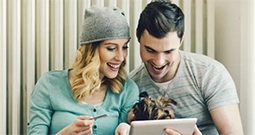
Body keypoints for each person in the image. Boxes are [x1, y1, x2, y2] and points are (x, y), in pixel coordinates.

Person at [128, 0, 244, 135]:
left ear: (181, 39)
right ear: (137, 36)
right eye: (150, 50)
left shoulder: (209, 74)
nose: (159, 62)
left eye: (168, 51)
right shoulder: (131, 87)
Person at [27, 5, 139, 135]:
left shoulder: (127, 90)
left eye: (124, 47)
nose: (120, 57)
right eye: (111, 48)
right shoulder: (49, 84)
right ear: (91, 51)